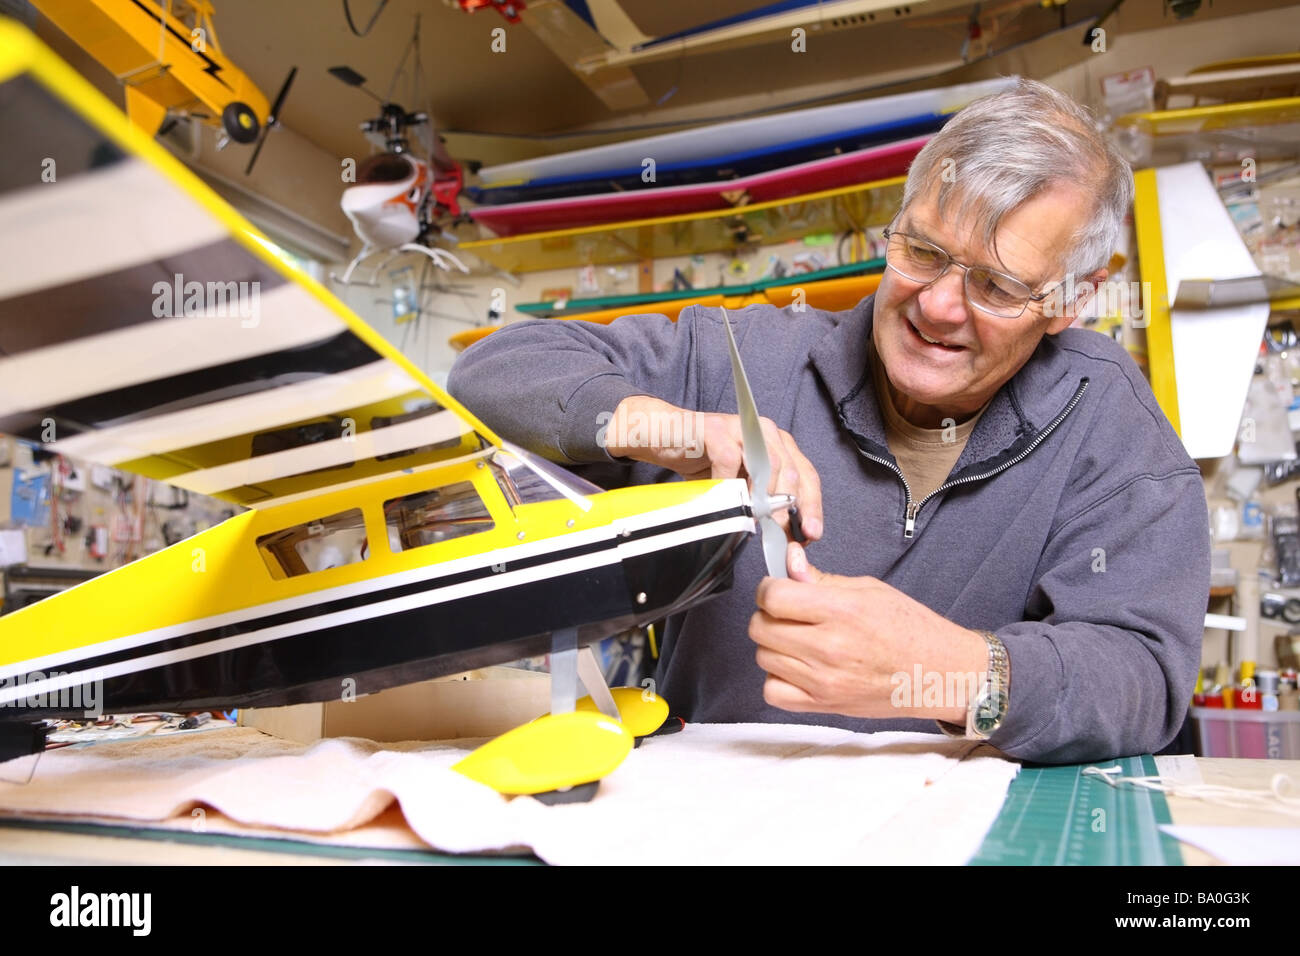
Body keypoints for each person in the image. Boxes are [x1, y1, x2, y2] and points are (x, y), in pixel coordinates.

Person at [448, 78, 1210, 764]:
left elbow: (1142, 679)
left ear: (1072, 300)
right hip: (704, 825)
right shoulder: (737, 360)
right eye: (922, 250)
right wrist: (674, 429)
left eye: (997, 285)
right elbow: (488, 374)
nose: (939, 306)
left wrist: (948, 673)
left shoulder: (1110, 424)